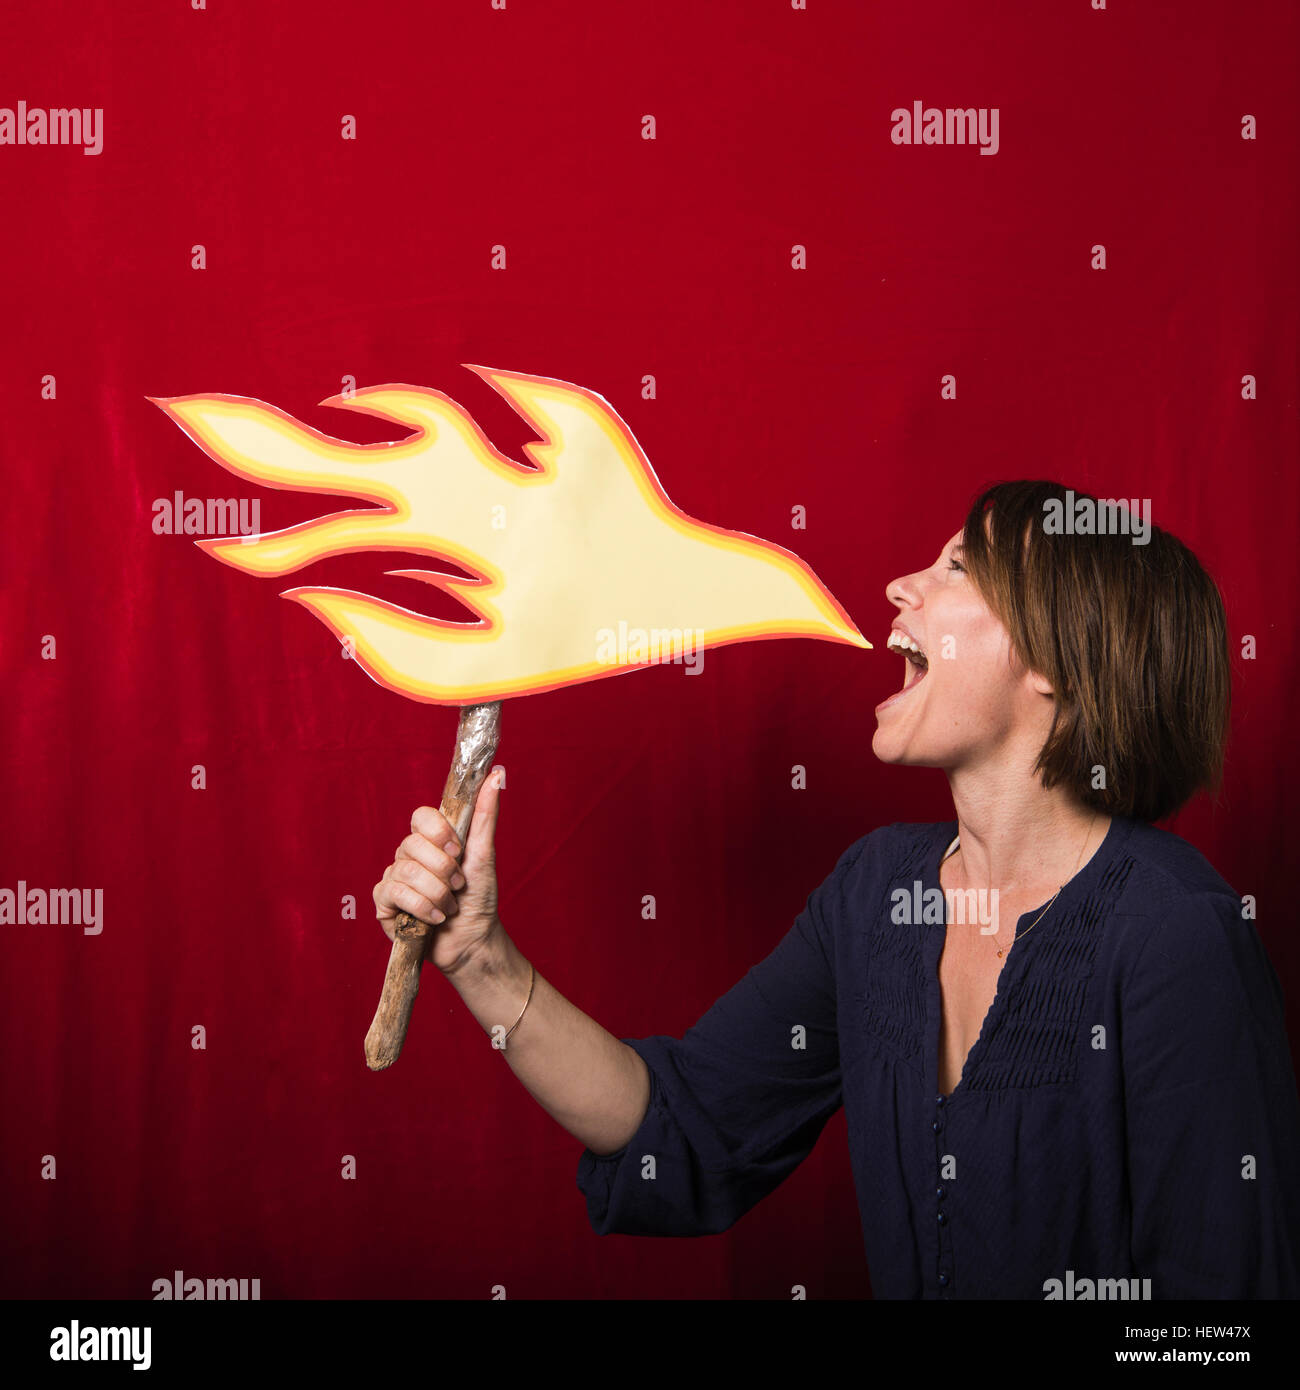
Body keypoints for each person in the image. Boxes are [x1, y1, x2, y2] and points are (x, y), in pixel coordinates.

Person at [372, 479, 1300, 1299]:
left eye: (959, 569)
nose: (902, 586)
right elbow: (684, 1126)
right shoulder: (875, 895)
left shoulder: (1178, 938)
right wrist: (478, 955)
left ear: (1058, 658)